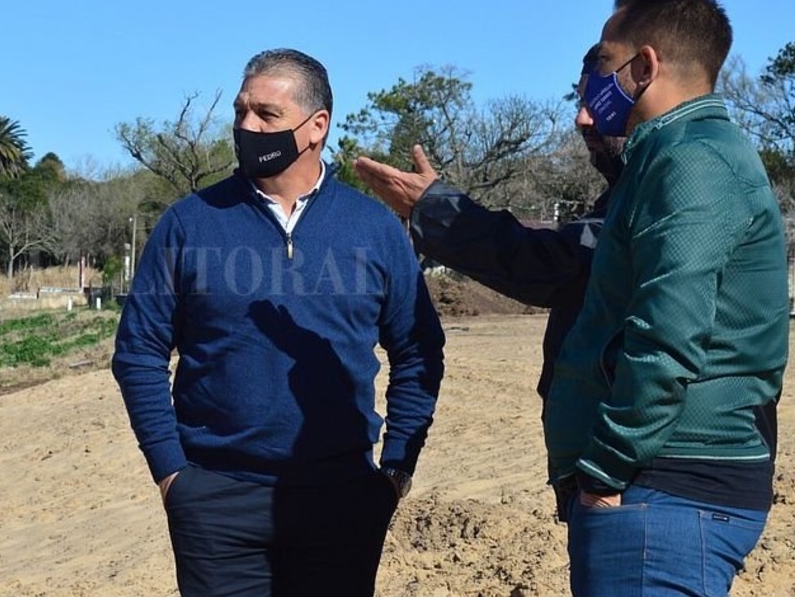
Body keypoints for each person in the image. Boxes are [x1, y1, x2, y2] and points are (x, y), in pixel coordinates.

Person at [111, 48, 446, 597]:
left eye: (266, 115)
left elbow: (418, 352)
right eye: (241, 112)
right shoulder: (189, 223)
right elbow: (138, 352)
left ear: (317, 128)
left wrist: (395, 473)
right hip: (214, 501)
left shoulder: (374, 229)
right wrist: (173, 474)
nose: (247, 126)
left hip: (342, 499)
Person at [548, 0, 789, 596]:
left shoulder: (691, 162)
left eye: (604, 61)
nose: (593, 83)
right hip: (658, 488)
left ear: (644, 67)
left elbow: (666, 337)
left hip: (666, 490)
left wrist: (603, 471)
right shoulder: (664, 157)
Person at [353, 43, 625, 522]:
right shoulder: (625, 194)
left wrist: (438, 213)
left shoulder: (659, 194)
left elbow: (556, 265)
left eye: (595, 100)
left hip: (630, 489)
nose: (582, 120)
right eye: (577, 102)